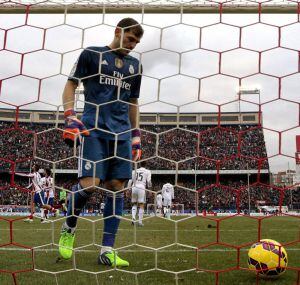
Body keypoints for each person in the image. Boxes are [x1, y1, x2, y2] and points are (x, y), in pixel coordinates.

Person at [58, 18, 144, 267]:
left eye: (137, 42)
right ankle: (69, 226)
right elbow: (70, 84)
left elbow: (133, 102)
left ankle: (107, 250)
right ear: (118, 32)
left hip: (122, 135)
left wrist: (136, 134)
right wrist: (70, 116)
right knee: (90, 184)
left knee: (117, 187)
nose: (133, 45)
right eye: (130, 39)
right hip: (93, 130)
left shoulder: (135, 66)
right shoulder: (92, 54)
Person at [128, 161, 152, 226]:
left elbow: (130, 181)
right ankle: (140, 222)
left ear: (139, 165)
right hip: (141, 187)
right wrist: (150, 190)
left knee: (134, 204)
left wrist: (128, 189)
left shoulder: (134, 171)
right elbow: (149, 181)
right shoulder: (148, 171)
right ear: (146, 165)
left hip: (134, 187)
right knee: (141, 204)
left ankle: (133, 219)